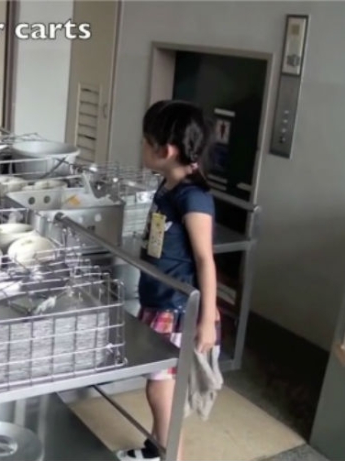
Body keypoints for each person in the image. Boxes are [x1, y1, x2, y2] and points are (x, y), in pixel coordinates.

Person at [118, 100, 221, 461]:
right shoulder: (169, 185)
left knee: (160, 390)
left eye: (147, 141)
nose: (142, 147)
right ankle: (155, 447)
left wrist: (206, 320)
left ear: (166, 150)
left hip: (177, 309)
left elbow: (206, 261)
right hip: (159, 298)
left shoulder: (193, 197)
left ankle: (170, 455)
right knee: (159, 383)